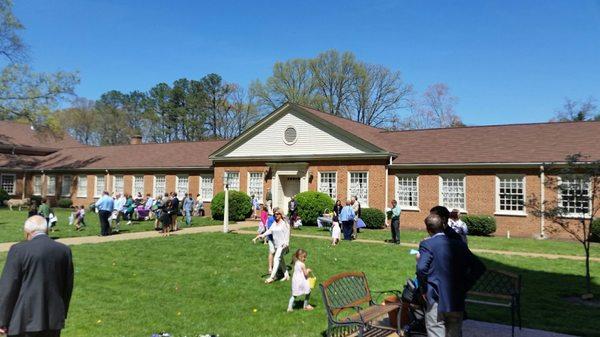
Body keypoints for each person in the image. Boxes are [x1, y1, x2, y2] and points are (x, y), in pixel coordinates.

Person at [0, 215, 74, 337]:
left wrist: (2, 320)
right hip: (53, 319)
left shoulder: (18, 250)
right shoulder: (64, 250)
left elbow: (8, 287)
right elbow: (67, 286)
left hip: (23, 320)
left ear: (28, 232)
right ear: (47, 230)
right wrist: (61, 313)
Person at [417, 214, 486, 337]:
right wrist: (465, 285)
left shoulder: (427, 244)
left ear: (428, 229)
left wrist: (424, 289)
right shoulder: (460, 244)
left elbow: (421, 268)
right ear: (443, 226)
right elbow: (479, 267)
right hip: (456, 299)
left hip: (436, 298)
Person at [253, 209, 290, 283]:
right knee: (281, 260)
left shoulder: (285, 224)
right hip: (277, 245)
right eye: (275, 214)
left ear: (281, 215)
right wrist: (261, 235)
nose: (276, 215)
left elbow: (287, 235)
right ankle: (286, 275)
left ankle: (272, 277)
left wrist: (286, 244)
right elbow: (269, 231)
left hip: (283, 245)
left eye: (277, 214)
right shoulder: (274, 223)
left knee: (276, 258)